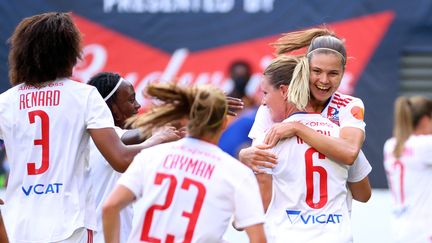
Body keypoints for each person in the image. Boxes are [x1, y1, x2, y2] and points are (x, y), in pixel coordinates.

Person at [0, 12, 158, 242]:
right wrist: (157, 140)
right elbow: (121, 159)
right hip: (70, 224)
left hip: (19, 225)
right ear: (69, 53)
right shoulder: (84, 96)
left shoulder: (6, 101)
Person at [102, 83, 267, 243]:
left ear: (185, 118)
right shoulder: (235, 172)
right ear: (224, 123)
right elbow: (258, 238)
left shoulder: (150, 156)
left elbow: (110, 207)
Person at [254, 55, 368, 242]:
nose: (263, 102)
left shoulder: (269, 138)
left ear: (283, 91)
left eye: (265, 93)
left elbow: (261, 203)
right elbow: (363, 194)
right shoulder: (340, 137)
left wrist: (237, 219)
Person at [87, 72, 184, 243]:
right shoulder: (104, 140)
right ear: (113, 109)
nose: (138, 105)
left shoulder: (94, 137)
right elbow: (141, 135)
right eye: (131, 100)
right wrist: (158, 136)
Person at [383, 96, 432, 243]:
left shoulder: (390, 145)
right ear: (425, 120)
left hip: (400, 229)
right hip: (424, 231)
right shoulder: (425, 145)